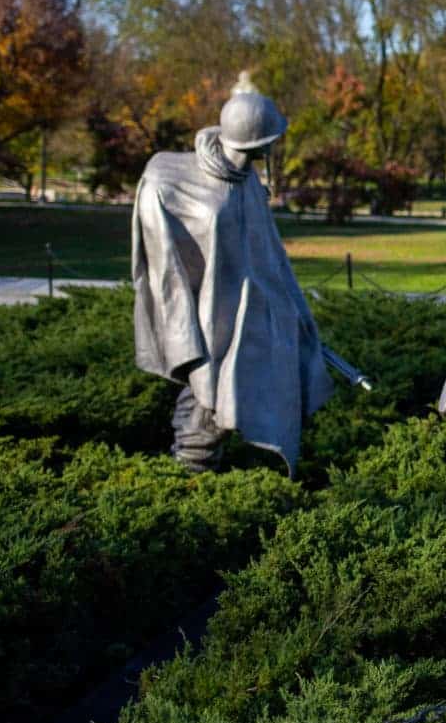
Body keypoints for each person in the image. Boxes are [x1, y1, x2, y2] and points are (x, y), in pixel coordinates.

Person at [131, 77, 331, 473]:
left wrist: (295, 315)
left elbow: (268, 254)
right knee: (203, 408)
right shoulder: (169, 183)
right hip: (205, 326)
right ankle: (188, 486)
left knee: (233, 402)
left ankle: (209, 475)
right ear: (259, 142)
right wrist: (184, 342)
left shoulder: (246, 182)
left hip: (248, 318)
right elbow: (166, 274)